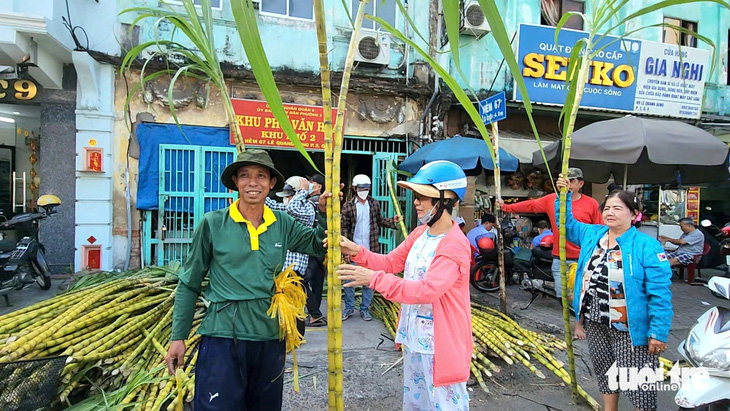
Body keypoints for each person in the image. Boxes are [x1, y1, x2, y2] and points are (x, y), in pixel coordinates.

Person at [164, 149, 329, 410]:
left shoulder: (282, 223)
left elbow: (318, 246)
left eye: (261, 176)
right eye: (245, 176)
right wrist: (178, 337)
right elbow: (189, 282)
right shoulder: (213, 224)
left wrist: (322, 213)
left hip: (269, 336)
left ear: (272, 183)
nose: (253, 183)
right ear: (236, 183)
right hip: (223, 337)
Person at [336, 160, 472, 410]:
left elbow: (427, 290)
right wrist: (357, 251)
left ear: (446, 200)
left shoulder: (454, 245)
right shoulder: (420, 234)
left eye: (423, 196)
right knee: (417, 403)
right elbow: (390, 262)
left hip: (439, 345)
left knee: (443, 405)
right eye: (415, 195)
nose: (416, 202)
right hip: (414, 338)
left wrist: (372, 279)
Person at [556, 175, 672, 411]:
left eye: (617, 208)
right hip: (596, 321)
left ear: (633, 214)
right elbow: (566, 224)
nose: (610, 212)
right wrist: (564, 196)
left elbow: (660, 294)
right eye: (607, 208)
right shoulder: (594, 235)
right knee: (605, 370)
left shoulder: (646, 246)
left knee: (639, 382)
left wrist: (658, 332)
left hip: (630, 328)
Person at [340, 174, 400, 321]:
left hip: (370, 250)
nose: (364, 191)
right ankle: (348, 308)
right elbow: (344, 229)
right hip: (353, 250)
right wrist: (346, 251)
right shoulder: (348, 206)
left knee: (369, 281)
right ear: (355, 189)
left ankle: (365, 309)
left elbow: (380, 221)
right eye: (361, 188)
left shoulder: (373, 204)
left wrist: (393, 221)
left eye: (367, 188)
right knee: (349, 281)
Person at [265, 180, 322, 329]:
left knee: (296, 303)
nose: (286, 199)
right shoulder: (286, 207)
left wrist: (303, 191)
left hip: (295, 267)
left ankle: (298, 332)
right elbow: (271, 205)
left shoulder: (307, 208)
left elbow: (293, 209)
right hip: (283, 267)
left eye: (289, 195)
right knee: (284, 303)